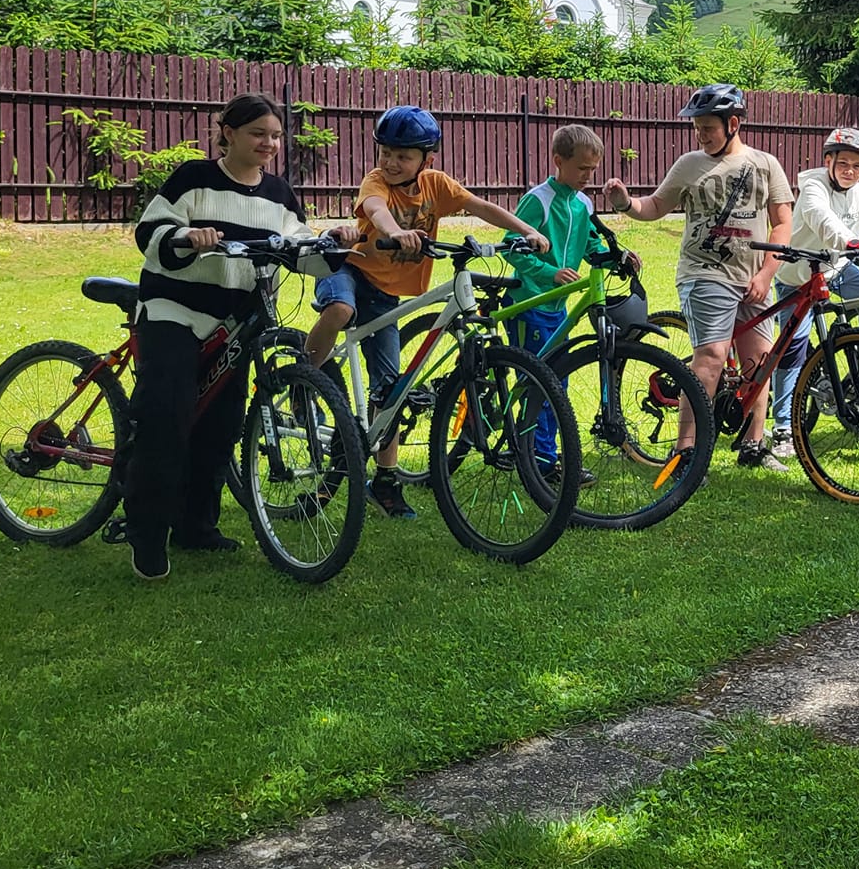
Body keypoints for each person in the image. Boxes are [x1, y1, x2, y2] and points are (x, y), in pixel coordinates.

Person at [126, 93, 353, 580]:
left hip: (236, 323)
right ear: (227, 132)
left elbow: (300, 248)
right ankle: (146, 534)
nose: (269, 144)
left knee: (222, 424)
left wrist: (333, 243)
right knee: (167, 414)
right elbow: (151, 232)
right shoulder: (193, 178)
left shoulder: (279, 194)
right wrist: (188, 237)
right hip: (175, 311)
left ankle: (197, 526)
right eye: (258, 134)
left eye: (275, 135)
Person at [305, 105, 550, 518]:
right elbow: (376, 211)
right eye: (386, 152)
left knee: (392, 392)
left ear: (427, 160)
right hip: (347, 266)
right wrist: (396, 232)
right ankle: (304, 377)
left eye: (404, 155)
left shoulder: (436, 185)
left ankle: (384, 481)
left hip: (385, 294)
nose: (392, 162)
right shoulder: (376, 181)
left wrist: (526, 229)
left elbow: (479, 206)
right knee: (342, 309)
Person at [602, 84, 795, 471]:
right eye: (697, 127)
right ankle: (686, 452)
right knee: (712, 356)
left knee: (759, 363)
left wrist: (767, 272)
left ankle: (753, 446)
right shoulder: (690, 164)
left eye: (708, 127)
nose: (701, 134)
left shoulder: (765, 164)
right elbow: (655, 205)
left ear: (733, 124)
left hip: (753, 275)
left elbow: (783, 222)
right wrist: (625, 203)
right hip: (704, 273)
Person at [767, 127, 859, 457]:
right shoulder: (814, 185)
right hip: (799, 278)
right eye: (843, 163)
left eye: (857, 167)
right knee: (794, 350)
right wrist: (852, 242)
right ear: (828, 161)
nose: (850, 171)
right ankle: (783, 428)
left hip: (838, 270)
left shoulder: (858, 192)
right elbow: (823, 220)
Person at [506, 123, 640, 475]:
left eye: (593, 170)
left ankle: (543, 455)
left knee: (556, 381)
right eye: (582, 169)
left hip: (558, 308)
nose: (587, 176)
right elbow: (513, 247)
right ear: (557, 161)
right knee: (537, 383)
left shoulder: (581, 203)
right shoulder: (538, 200)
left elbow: (593, 246)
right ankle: (539, 460)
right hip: (529, 304)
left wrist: (618, 257)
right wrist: (548, 273)